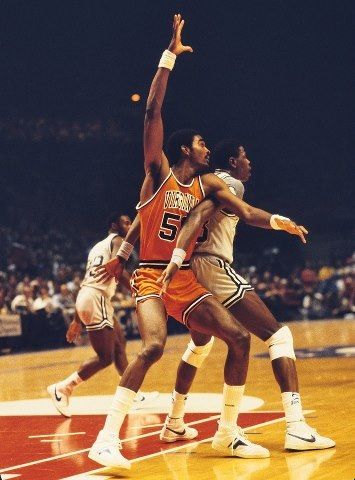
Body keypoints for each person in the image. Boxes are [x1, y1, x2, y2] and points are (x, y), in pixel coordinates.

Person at [89, 14, 308, 469]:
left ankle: (226, 434)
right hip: (151, 275)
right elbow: (151, 112)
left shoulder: (206, 186)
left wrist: (281, 221)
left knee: (238, 338)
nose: (210, 149)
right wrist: (169, 56)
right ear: (186, 148)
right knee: (152, 346)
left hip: (184, 277)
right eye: (204, 144)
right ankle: (106, 438)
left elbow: (246, 212)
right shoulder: (159, 175)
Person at [157, 140, 335, 451]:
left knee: (200, 345)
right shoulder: (231, 183)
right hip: (211, 264)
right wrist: (279, 222)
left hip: (190, 268)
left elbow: (196, 217)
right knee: (279, 337)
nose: (249, 162)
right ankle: (295, 426)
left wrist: (175, 258)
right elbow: (209, 215)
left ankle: (174, 421)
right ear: (232, 161)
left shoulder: (203, 184)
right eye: (245, 156)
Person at [47, 213, 158, 417]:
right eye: (126, 222)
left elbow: (91, 280)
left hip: (91, 296)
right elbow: (118, 269)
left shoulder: (98, 247)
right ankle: (63, 388)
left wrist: (76, 319)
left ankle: (132, 394)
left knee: (119, 345)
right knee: (105, 357)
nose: (130, 224)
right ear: (114, 225)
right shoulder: (117, 240)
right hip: (96, 298)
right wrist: (140, 288)